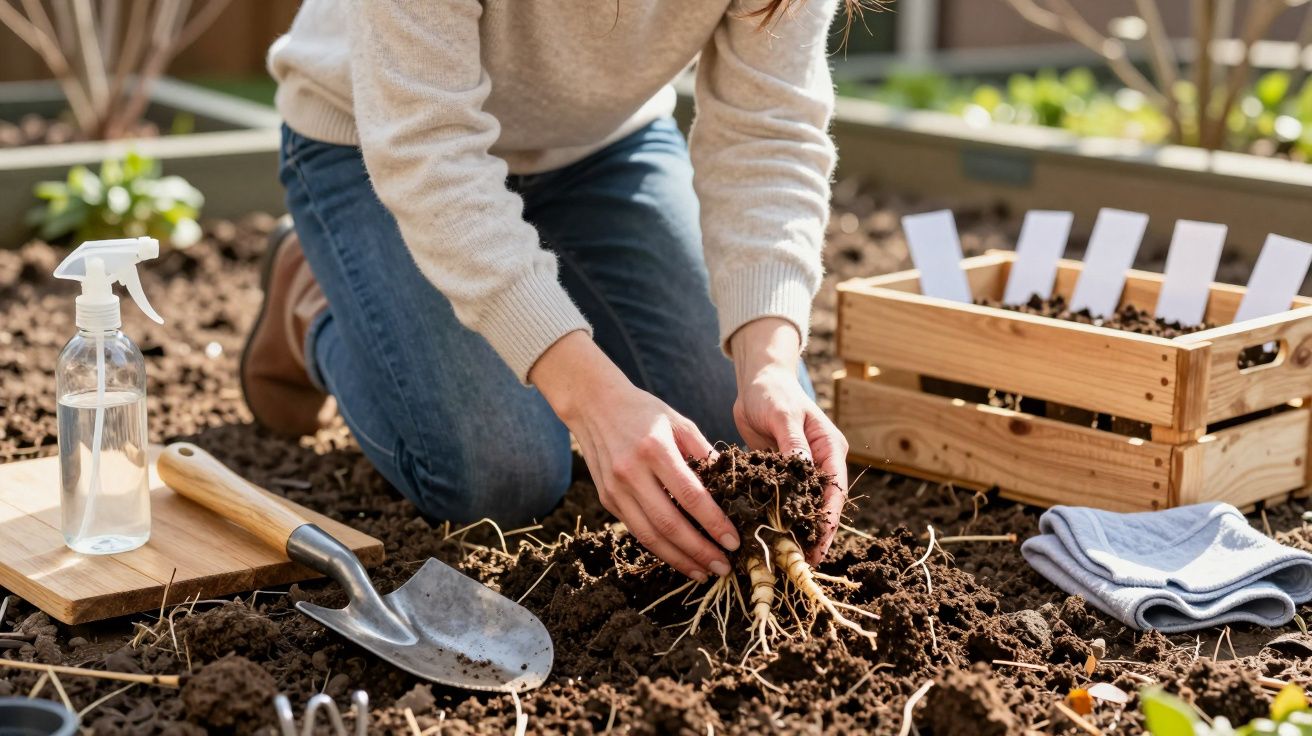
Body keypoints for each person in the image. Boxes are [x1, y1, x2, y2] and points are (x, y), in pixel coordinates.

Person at [242, 0, 851, 585]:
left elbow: (771, 131)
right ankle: (315, 299)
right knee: (502, 478)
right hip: (378, 141)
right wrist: (595, 399)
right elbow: (427, 148)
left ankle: (511, 280)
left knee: (733, 433)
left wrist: (767, 363)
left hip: (601, 150)